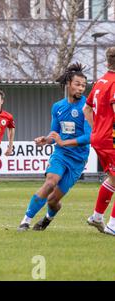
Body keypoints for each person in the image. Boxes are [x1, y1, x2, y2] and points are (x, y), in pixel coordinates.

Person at [16, 63, 90, 232]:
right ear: (68, 84)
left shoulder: (87, 107)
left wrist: (63, 141)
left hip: (78, 160)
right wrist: (46, 139)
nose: (81, 88)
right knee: (50, 182)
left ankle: (48, 218)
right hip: (61, 154)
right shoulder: (57, 107)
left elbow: (88, 137)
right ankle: (25, 221)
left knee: (53, 200)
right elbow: (55, 133)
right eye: (78, 84)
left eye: (84, 86)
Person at [83, 47, 115, 236]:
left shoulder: (100, 81)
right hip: (110, 138)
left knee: (113, 178)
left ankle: (96, 216)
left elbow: (87, 109)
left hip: (99, 137)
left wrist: (97, 128)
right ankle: (113, 225)